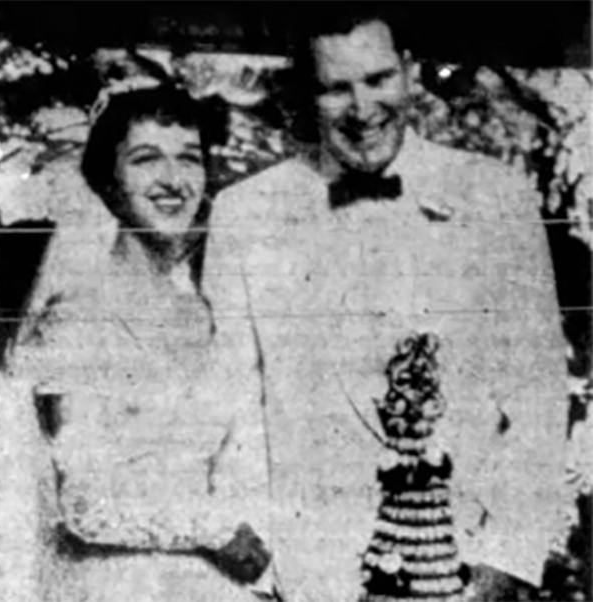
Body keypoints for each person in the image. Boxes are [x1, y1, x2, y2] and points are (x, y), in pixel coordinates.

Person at [204, 6, 568, 602]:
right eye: (335, 88)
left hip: (460, 564)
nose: (363, 108)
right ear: (306, 92)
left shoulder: (493, 196)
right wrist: (262, 570)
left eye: (378, 79)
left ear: (409, 70)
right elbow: (231, 404)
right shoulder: (248, 213)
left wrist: (504, 557)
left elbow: (536, 395)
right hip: (309, 573)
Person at [0, 85, 272, 602]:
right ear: (107, 179)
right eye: (146, 160)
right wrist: (216, 531)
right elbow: (85, 505)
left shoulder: (207, 308)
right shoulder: (78, 314)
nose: (173, 181)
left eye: (189, 160)